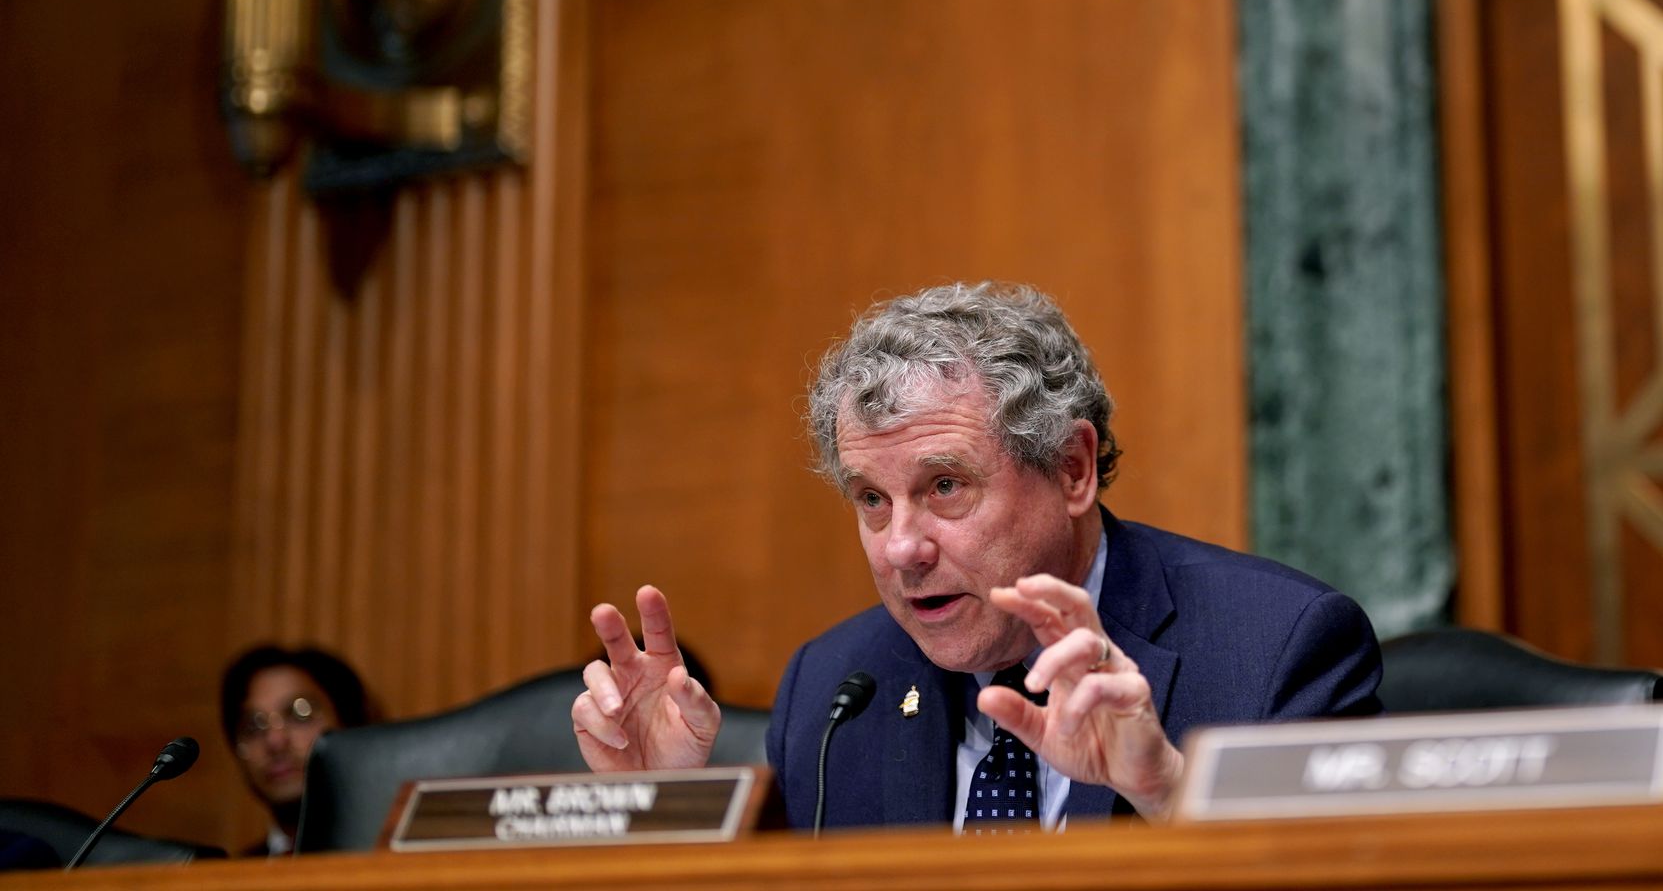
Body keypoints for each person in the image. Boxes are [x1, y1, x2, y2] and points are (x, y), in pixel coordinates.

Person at [571, 282, 1381, 830]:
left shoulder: (1276, 652)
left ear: (1072, 468)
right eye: (871, 499)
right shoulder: (835, 690)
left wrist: (1167, 794)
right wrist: (663, 812)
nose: (901, 549)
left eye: (947, 486)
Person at [219, 645, 373, 855]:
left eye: (299, 715)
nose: (274, 741)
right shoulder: (230, 879)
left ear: (349, 726)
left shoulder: (395, 860)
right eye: (253, 726)